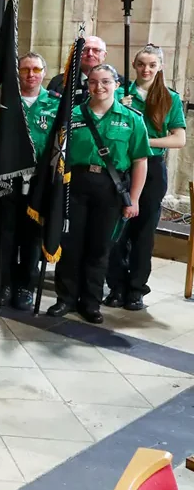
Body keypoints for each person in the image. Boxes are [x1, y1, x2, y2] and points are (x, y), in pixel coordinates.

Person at [47, 64, 150, 323]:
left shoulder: (131, 119)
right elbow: (57, 152)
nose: (99, 87)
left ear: (116, 84)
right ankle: (66, 298)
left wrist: (134, 199)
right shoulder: (73, 114)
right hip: (76, 184)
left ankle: (91, 302)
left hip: (110, 188)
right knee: (70, 245)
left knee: (99, 247)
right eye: (93, 82)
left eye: (105, 82)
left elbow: (140, 161)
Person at [107, 45, 185, 310]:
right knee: (116, 228)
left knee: (144, 232)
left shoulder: (169, 98)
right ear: (133, 64)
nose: (146, 69)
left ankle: (136, 289)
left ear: (160, 66)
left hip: (151, 167)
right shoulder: (119, 93)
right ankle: (116, 286)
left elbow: (179, 138)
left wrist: (144, 141)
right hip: (121, 166)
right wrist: (118, 107)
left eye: (152, 64)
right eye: (141, 64)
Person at [2, 52, 58, 311]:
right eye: (25, 69)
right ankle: (6, 284)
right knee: (7, 233)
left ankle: (26, 286)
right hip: (8, 179)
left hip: (39, 180)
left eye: (36, 69)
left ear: (44, 73)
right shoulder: (5, 101)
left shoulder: (55, 105)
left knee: (32, 237)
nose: (31, 74)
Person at [48, 35, 110, 100]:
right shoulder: (59, 82)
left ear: (104, 55)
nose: (90, 54)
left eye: (96, 50)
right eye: (85, 50)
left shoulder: (117, 83)